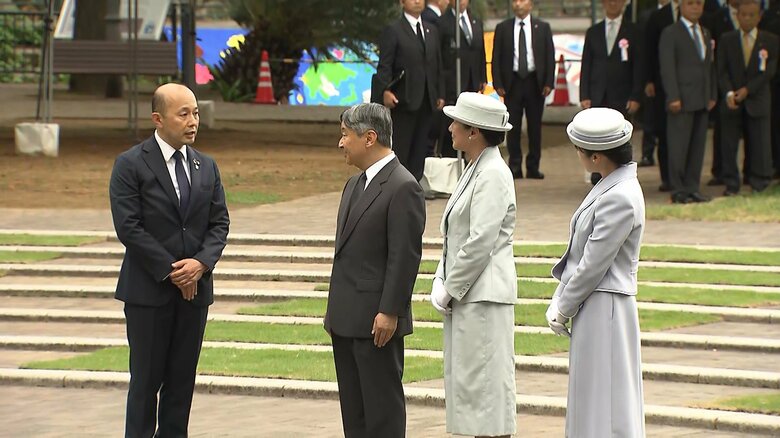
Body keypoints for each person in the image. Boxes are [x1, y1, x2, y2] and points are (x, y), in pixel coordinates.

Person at [109, 83, 230, 437]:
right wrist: (173, 271)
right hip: (149, 293)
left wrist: (201, 265)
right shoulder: (130, 164)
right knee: (145, 383)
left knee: (181, 383)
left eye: (195, 113)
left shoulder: (205, 166)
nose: (193, 121)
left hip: (195, 294)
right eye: (184, 114)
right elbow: (129, 227)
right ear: (158, 119)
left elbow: (219, 222)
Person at [324, 103, 426, 437]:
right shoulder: (353, 185)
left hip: (376, 322)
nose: (341, 144)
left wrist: (389, 311)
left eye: (345, 135)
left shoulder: (402, 186)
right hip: (345, 319)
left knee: (382, 413)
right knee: (355, 417)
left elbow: (404, 256)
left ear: (369, 138)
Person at [546, 107, 646, 438]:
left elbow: (593, 263)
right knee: (594, 395)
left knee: (608, 400)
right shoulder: (610, 185)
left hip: (607, 304)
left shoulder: (619, 195)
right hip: (598, 304)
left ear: (596, 157)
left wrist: (563, 305)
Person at [430, 92, 517, 438]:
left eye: (457, 123)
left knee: (486, 391)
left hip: (484, 296)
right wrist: (441, 277)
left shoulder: (493, 173)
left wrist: (450, 288)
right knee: (470, 387)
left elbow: (480, 241)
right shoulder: (475, 167)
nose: (450, 128)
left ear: (474, 132)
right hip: (471, 295)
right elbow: (455, 233)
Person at [376, 0, 446, 181]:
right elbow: (385, 66)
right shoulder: (394, 30)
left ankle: (414, 187)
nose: (417, 1)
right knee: (402, 148)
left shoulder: (431, 30)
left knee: (420, 149)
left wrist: (440, 93)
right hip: (403, 100)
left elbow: (437, 65)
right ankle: (397, 187)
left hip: (427, 99)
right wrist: (385, 90)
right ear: (402, 2)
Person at [660, 0, 718, 203]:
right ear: (682, 6)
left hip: (701, 99)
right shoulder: (671, 33)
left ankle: (693, 187)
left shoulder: (705, 33)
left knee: (697, 146)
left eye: (699, 4)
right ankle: (678, 190)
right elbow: (667, 67)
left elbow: (708, 67)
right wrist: (673, 95)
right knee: (678, 147)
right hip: (681, 99)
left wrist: (712, 94)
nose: (696, 7)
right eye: (691, 3)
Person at [717, 0, 778, 194]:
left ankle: (759, 181)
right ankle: (731, 183)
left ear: (759, 16)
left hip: (757, 99)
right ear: (737, 15)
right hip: (732, 99)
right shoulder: (727, 39)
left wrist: (747, 90)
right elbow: (721, 70)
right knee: (729, 143)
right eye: (743, 15)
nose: (747, 18)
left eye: (752, 15)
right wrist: (729, 92)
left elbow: (768, 72)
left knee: (760, 142)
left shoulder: (770, 40)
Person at [580, 0, 643, 184]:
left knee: (619, 137)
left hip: (622, 96)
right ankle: (596, 175)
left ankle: (618, 175)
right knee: (596, 137)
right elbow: (587, 65)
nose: (613, 3)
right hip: (598, 94)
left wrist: (636, 95)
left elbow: (639, 66)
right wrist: (585, 94)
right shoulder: (594, 32)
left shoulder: (633, 31)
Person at [492, 0, 555, 179]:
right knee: (513, 127)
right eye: (515, 1)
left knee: (535, 127)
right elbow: (496, 57)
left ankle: (533, 166)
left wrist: (549, 82)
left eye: (523, 0)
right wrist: (498, 83)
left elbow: (549, 55)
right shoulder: (503, 28)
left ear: (531, 5)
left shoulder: (542, 27)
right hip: (512, 83)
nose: (518, 4)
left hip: (535, 82)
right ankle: (515, 165)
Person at [438, 0, 487, 157]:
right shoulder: (443, 23)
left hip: (472, 83)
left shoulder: (475, 21)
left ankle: (470, 160)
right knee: (452, 127)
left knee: (471, 126)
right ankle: (451, 162)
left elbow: (480, 51)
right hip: (452, 83)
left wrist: (482, 76)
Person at [645, 0, 679, 191]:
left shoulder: (700, 12)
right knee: (664, 132)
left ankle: (685, 176)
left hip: (689, 84)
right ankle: (667, 177)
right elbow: (648, 49)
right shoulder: (658, 17)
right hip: (661, 84)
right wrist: (648, 79)